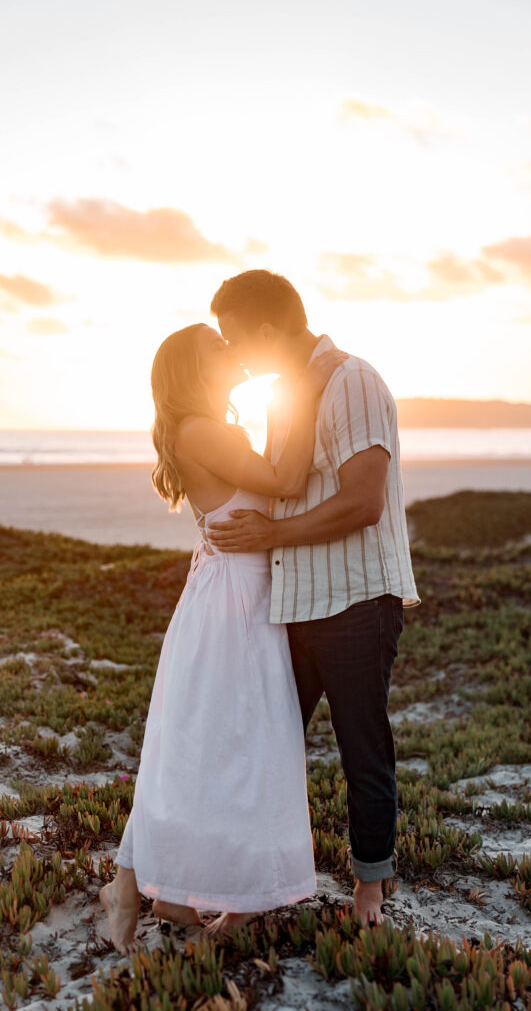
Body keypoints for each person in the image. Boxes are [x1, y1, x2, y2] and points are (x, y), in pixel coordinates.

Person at [99, 322, 345, 952]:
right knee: (220, 749)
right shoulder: (202, 430)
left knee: (219, 749)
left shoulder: (210, 429)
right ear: (194, 369)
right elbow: (286, 482)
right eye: (218, 347)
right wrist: (308, 388)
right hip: (232, 607)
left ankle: (171, 890)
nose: (230, 352)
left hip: (243, 600)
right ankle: (136, 886)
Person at [207, 270, 421, 925]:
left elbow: (362, 499)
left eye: (236, 340)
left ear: (269, 330)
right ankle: (253, 889)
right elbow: (283, 485)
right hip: (292, 606)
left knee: (362, 748)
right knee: (268, 753)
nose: (235, 357)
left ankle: (368, 890)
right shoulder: (284, 397)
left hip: (354, 601)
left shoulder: (351, 380)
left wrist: (271, 531)